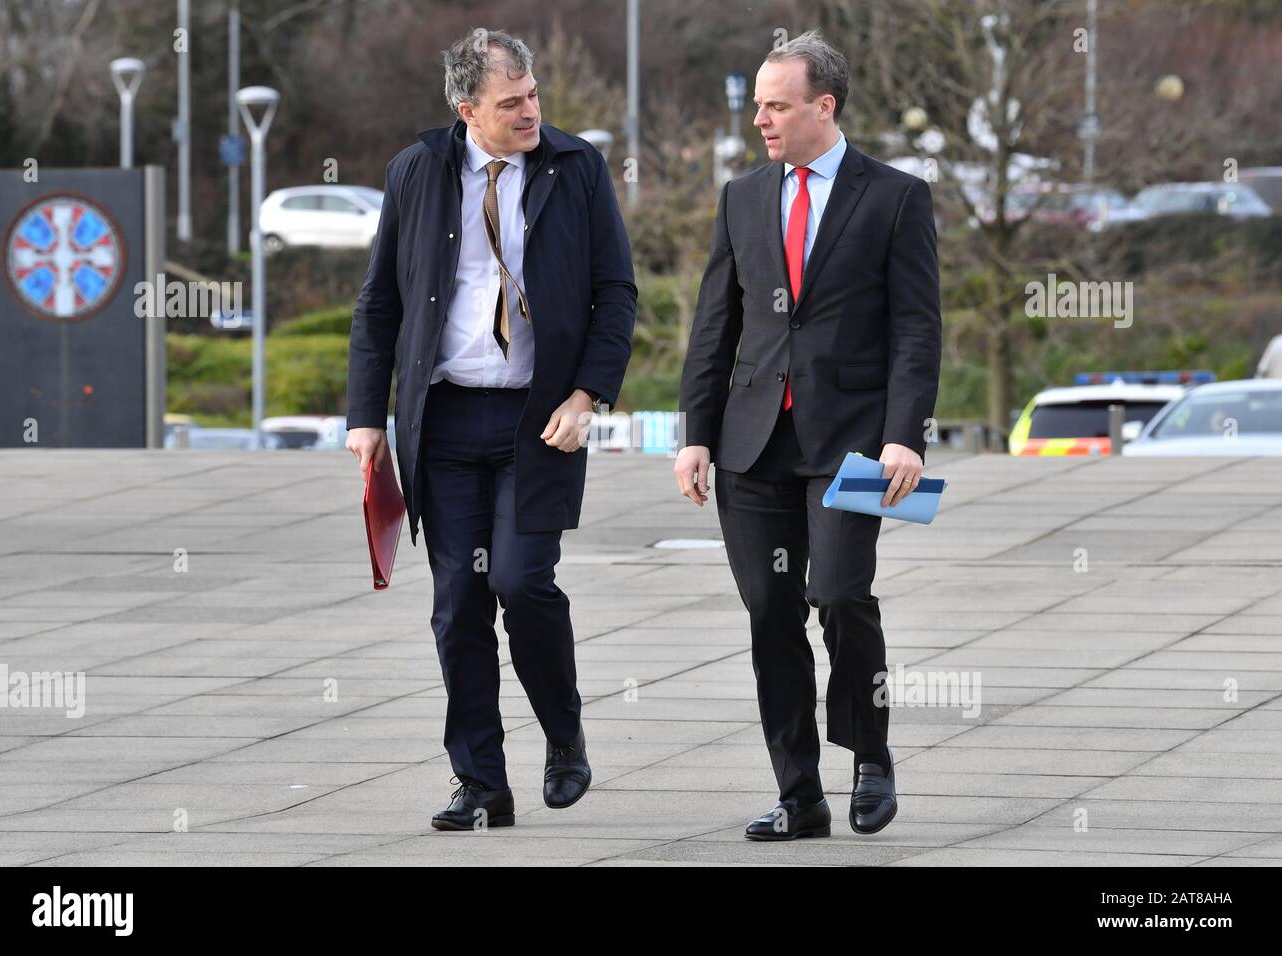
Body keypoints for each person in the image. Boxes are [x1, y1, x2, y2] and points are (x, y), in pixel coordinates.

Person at [346, 27, 636, 831]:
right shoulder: (417, 172)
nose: (530, 110)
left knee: (519, 580)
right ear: (467, 108)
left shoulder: (574, 169)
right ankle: (479, 782)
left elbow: (616, 292)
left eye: (534, 93)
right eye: (511, 103)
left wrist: (587, 395)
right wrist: (367, 416)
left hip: (537, 418)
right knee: (457, 604)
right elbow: (379, 305)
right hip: (441, 421)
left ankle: (564, 733)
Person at [674, 29, 941, 840]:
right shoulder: (742, 197)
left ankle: (870, 755)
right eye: (758, 104)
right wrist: (696, 434)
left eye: (777, 105)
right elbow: (713, 324)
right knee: (768, 614)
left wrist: (906, 436)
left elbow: (917, 330)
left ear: (824, 106)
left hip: (856, 445)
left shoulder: (895, 197)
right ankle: (799, 796)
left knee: (839, 594)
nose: (761, 118)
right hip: (752, 444)